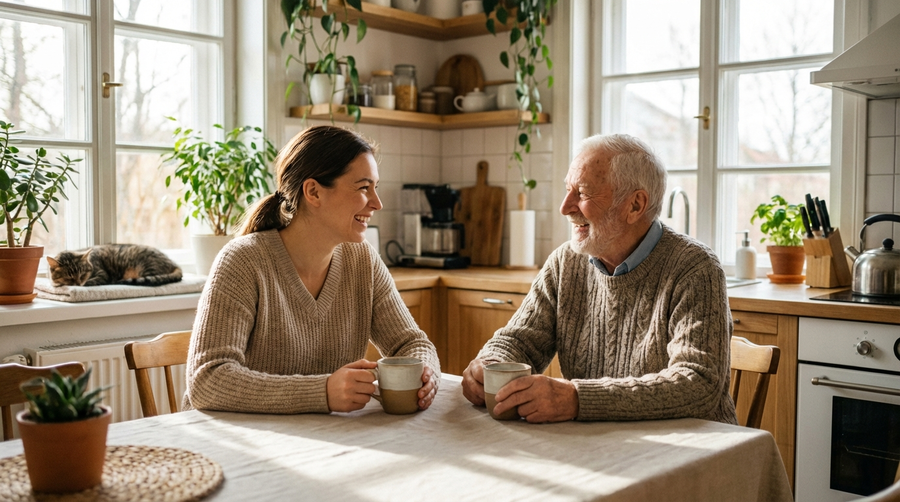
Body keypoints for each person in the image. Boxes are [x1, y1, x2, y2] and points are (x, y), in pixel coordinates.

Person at [461, 133, 737, 425]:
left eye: (581, 193)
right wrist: (490, 363)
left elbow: (697, 383)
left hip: (695, 450)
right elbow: (519, 341)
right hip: (600, 443)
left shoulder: (695, 268)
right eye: (568, 190)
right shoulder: (566, 262)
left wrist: (578, 399)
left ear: (635, 205)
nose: (565, 207)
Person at [184, 125, 440, 414]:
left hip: (317, 441)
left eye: (375, 188)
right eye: (363, 188)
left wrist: (426, 374)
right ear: (314, 192)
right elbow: (207, 380)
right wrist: (322, 392)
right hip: (230, 445)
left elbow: (412, 343)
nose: (377, 203)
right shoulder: (243, 261)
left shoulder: (362, 260)